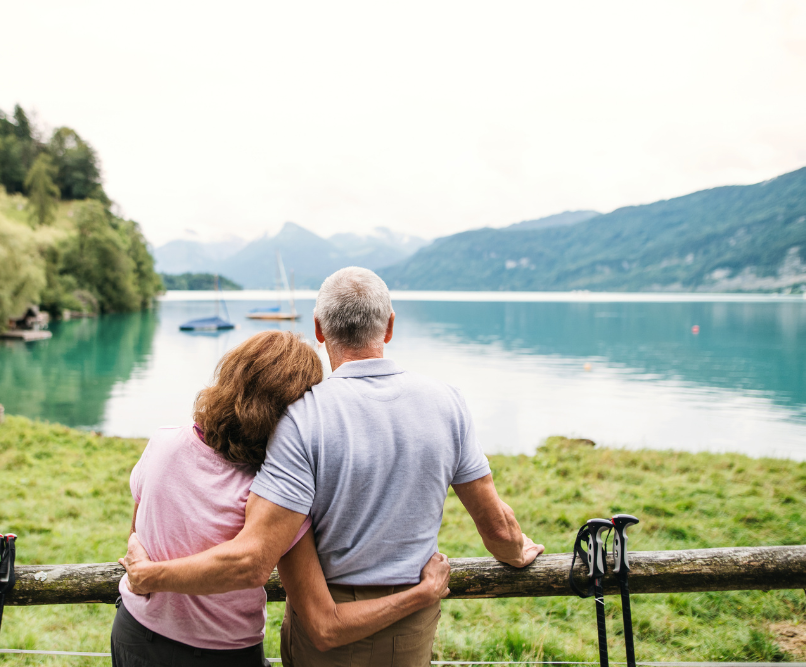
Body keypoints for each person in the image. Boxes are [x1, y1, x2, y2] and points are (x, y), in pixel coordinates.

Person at [120, 268, 544, 666]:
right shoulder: (448, 401)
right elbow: (498, 528)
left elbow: (246, 551)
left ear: (320, 328)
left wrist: (146, 574)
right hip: (407, 628)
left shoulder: (301, 418)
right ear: (390, 326)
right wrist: (517, 549)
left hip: (314, 612)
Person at [112, 330, 453, 667]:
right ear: (291, 411)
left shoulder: (163, 443)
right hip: (220, 652)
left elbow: (137, 537)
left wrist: (146, 574)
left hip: (134, 633)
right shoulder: (273, 498)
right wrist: (422, 594)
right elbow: (325, 623)